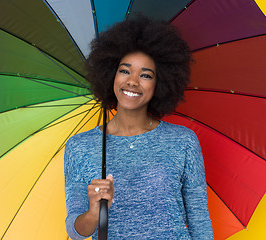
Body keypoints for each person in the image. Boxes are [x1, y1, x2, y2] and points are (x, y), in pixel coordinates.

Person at [64, 15, 214, 239]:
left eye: (145, 75)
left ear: (160, 83)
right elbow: (76, 232)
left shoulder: (183, 141)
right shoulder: (80, 146)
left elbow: (199, 221)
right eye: (125, 71)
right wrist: (94, 212)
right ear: (110, 75)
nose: (133, 81)